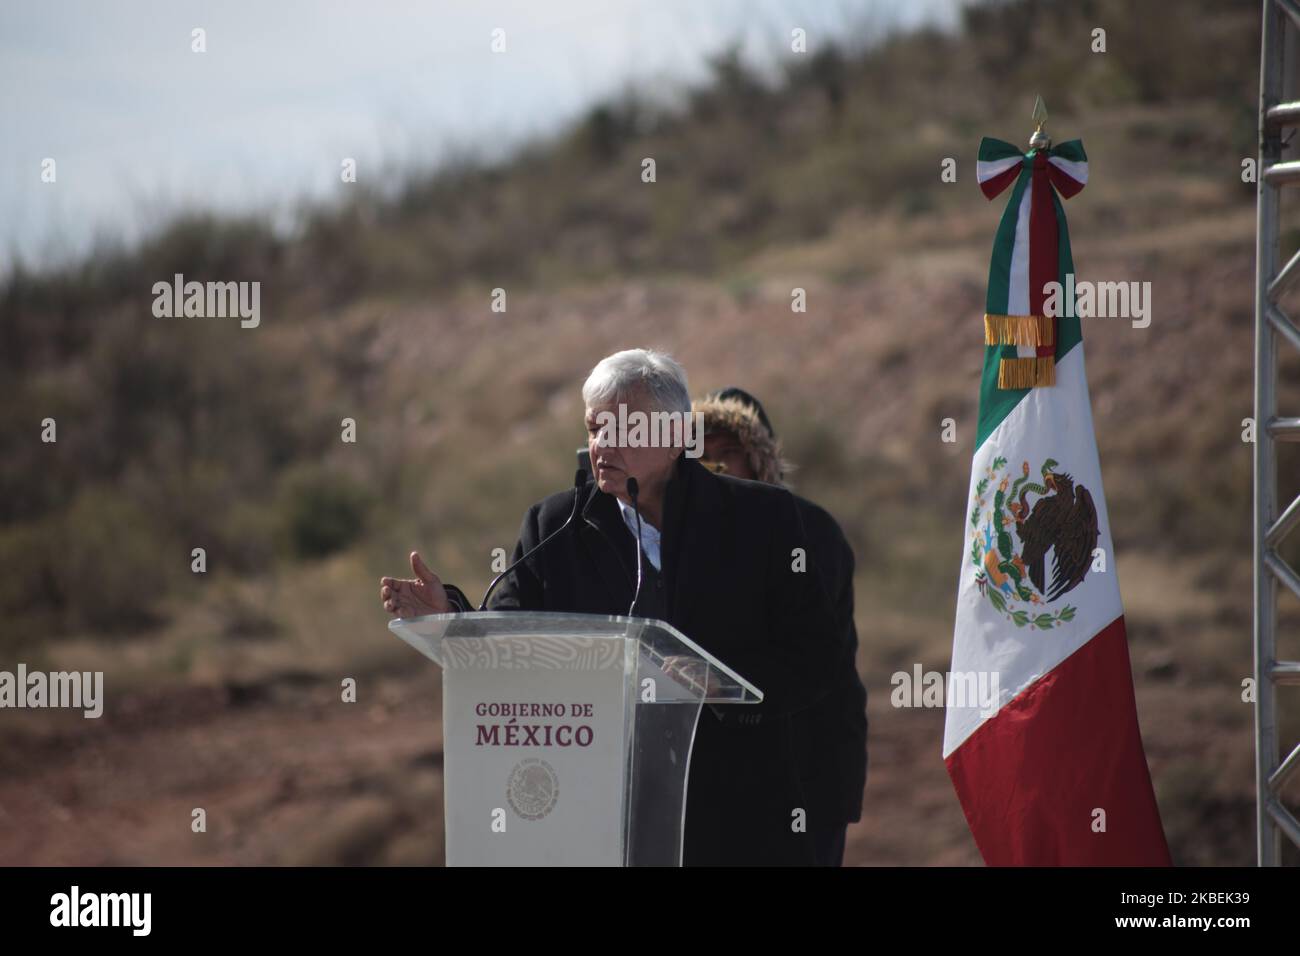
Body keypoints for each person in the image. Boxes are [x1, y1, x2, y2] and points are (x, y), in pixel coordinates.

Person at [380, 349, 840, 865]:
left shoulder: (763, 519)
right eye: (594, 428)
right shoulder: (554, 525)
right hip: (599, 814)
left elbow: (818, 656)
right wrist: (450, 616)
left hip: (740, 815)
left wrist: (724, 683)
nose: (601, 445)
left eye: (620, 429)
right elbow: (510, 637)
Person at [694, 387, 867, 867]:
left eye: (729, 453)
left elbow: (811, 656)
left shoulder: (809, 530)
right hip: (722, 783)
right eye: (702, 456)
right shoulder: (681, 539)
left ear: (761, 461)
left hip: (811, 767)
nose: (716, 467)